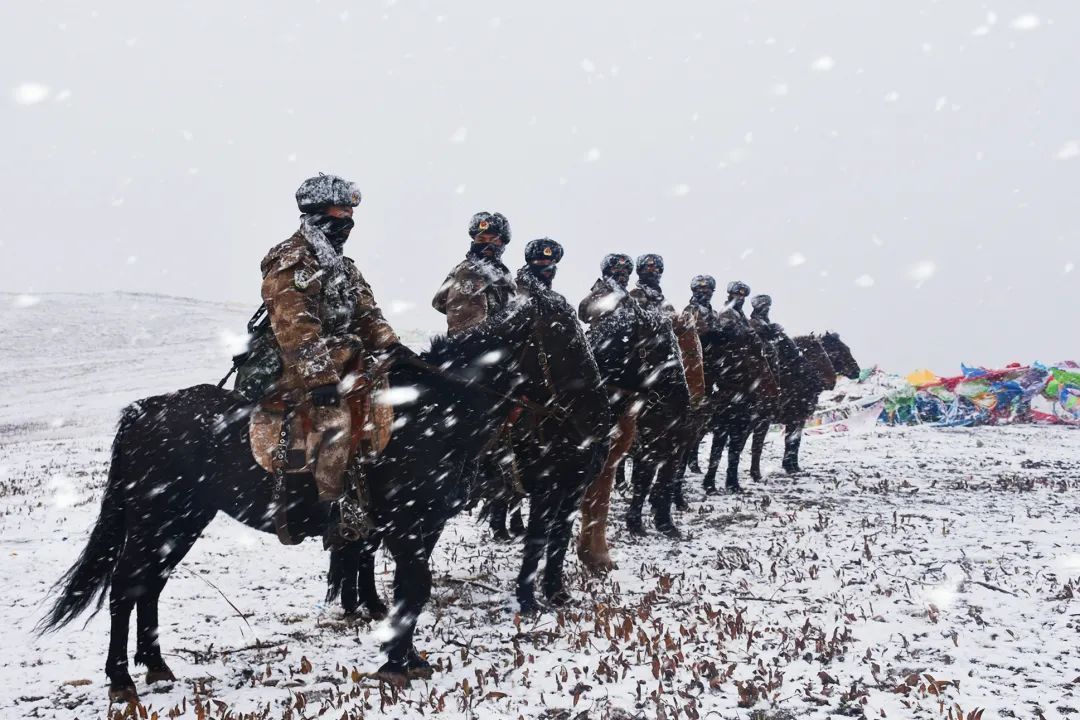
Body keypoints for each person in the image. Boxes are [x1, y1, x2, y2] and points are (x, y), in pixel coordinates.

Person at [259, 173, 411, 542]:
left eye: (350, 212)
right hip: (300, 366)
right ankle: (334, 510)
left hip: (348, 361)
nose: (349, 220)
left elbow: (367, 314)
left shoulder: (344, 265)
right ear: (318, 212)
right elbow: (295, 326)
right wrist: (321, 379)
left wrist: (392, 346)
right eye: (342, 210)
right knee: (337, 421)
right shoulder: (293, 258)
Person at [432, 211, 517, 335]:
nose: (486, 245)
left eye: (493, 240)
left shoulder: (500, 275)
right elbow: (468, 333)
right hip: (478, 352)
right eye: (481, 240)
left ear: (502, 243)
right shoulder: (469, 273)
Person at [578, 253, 636, 324]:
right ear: (607, 271)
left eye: (625, 270)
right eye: (616, 268)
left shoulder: (629, 299)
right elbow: (583, 312)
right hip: (602, 332)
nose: (622, 273)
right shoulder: (599, 292)